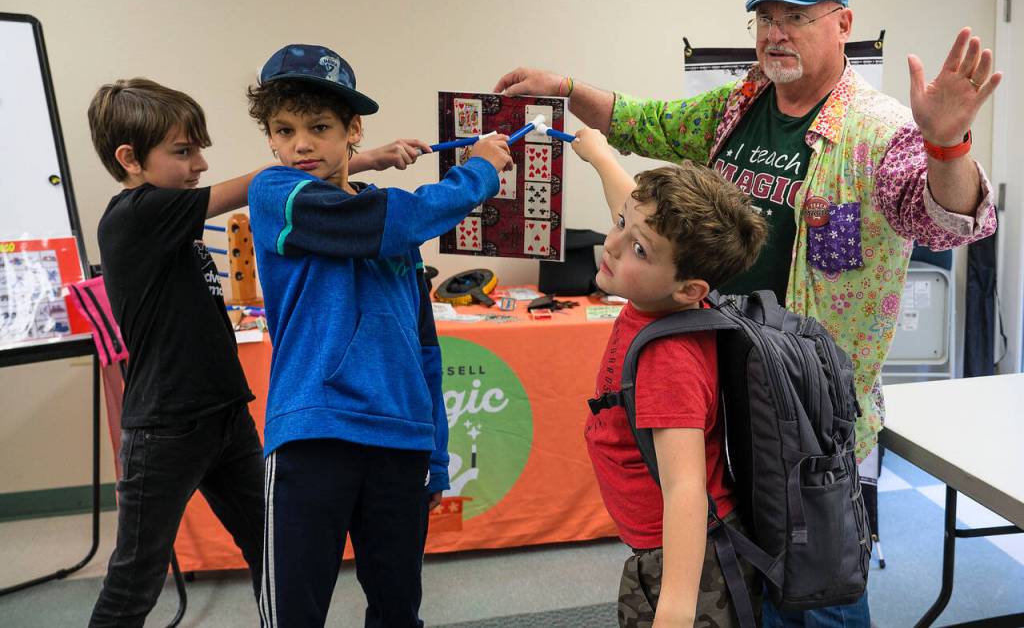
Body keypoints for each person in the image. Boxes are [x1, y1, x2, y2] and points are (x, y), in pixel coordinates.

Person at [495, 0, 999, 625]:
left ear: (842, 23)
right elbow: (647, 121)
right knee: (742, 578)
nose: (775, 33)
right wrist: (564, 86)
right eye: (766, 18)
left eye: (796, 18)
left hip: (809, 413)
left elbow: (945, 217)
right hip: (724, 391)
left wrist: (947, 147)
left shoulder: (876, 130)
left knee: (818, 588)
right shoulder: (740, 103)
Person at [246, 44, 511, 627]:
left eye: (319, 128)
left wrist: (436, 454)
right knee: (295, 610)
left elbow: (424, 347)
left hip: (400, 441)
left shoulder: (389, 229)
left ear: (352, 132)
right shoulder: (275, 195)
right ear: (269, 138)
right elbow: (392, 218)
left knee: (398, 609)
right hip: (314, 430)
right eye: (284, 130)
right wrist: (480, 172)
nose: (301, 145)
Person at [87, 78, 268, 627]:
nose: (200, 164)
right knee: (135, 581)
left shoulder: (170, 222)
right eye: (183, 151)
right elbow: (254, 187)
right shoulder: (136, 214)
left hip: (224, 414)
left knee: (275, 547)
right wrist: (353, 159)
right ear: (130, 159)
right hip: (165, 428)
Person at [572, 127, 768, 627]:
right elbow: (636, 212)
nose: (611, 244)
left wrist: (675, 610)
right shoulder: (665, 295)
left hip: (685, 563)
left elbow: (686, 488)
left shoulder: (669, 358)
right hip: (670, 548)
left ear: (689, 289)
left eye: (637, 249)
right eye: (619, 225)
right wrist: (599, 155)